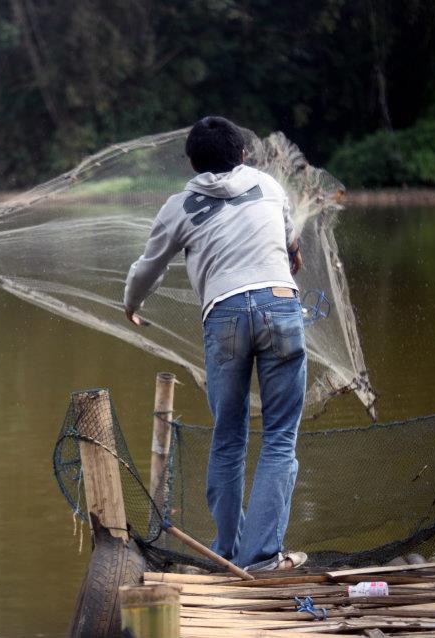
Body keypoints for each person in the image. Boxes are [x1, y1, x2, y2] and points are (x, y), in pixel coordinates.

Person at [123, 116, 307, 571]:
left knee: (228, 438)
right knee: (280, 437)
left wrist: (131, 304)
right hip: (280, 305)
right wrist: (292, 257)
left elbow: (148, 267)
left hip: (224, 316)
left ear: (192, 164)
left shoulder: (179, 205)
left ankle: (228, 552)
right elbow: (290, 244)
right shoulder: (268, 185)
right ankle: (262, 559)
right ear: (243, 154)